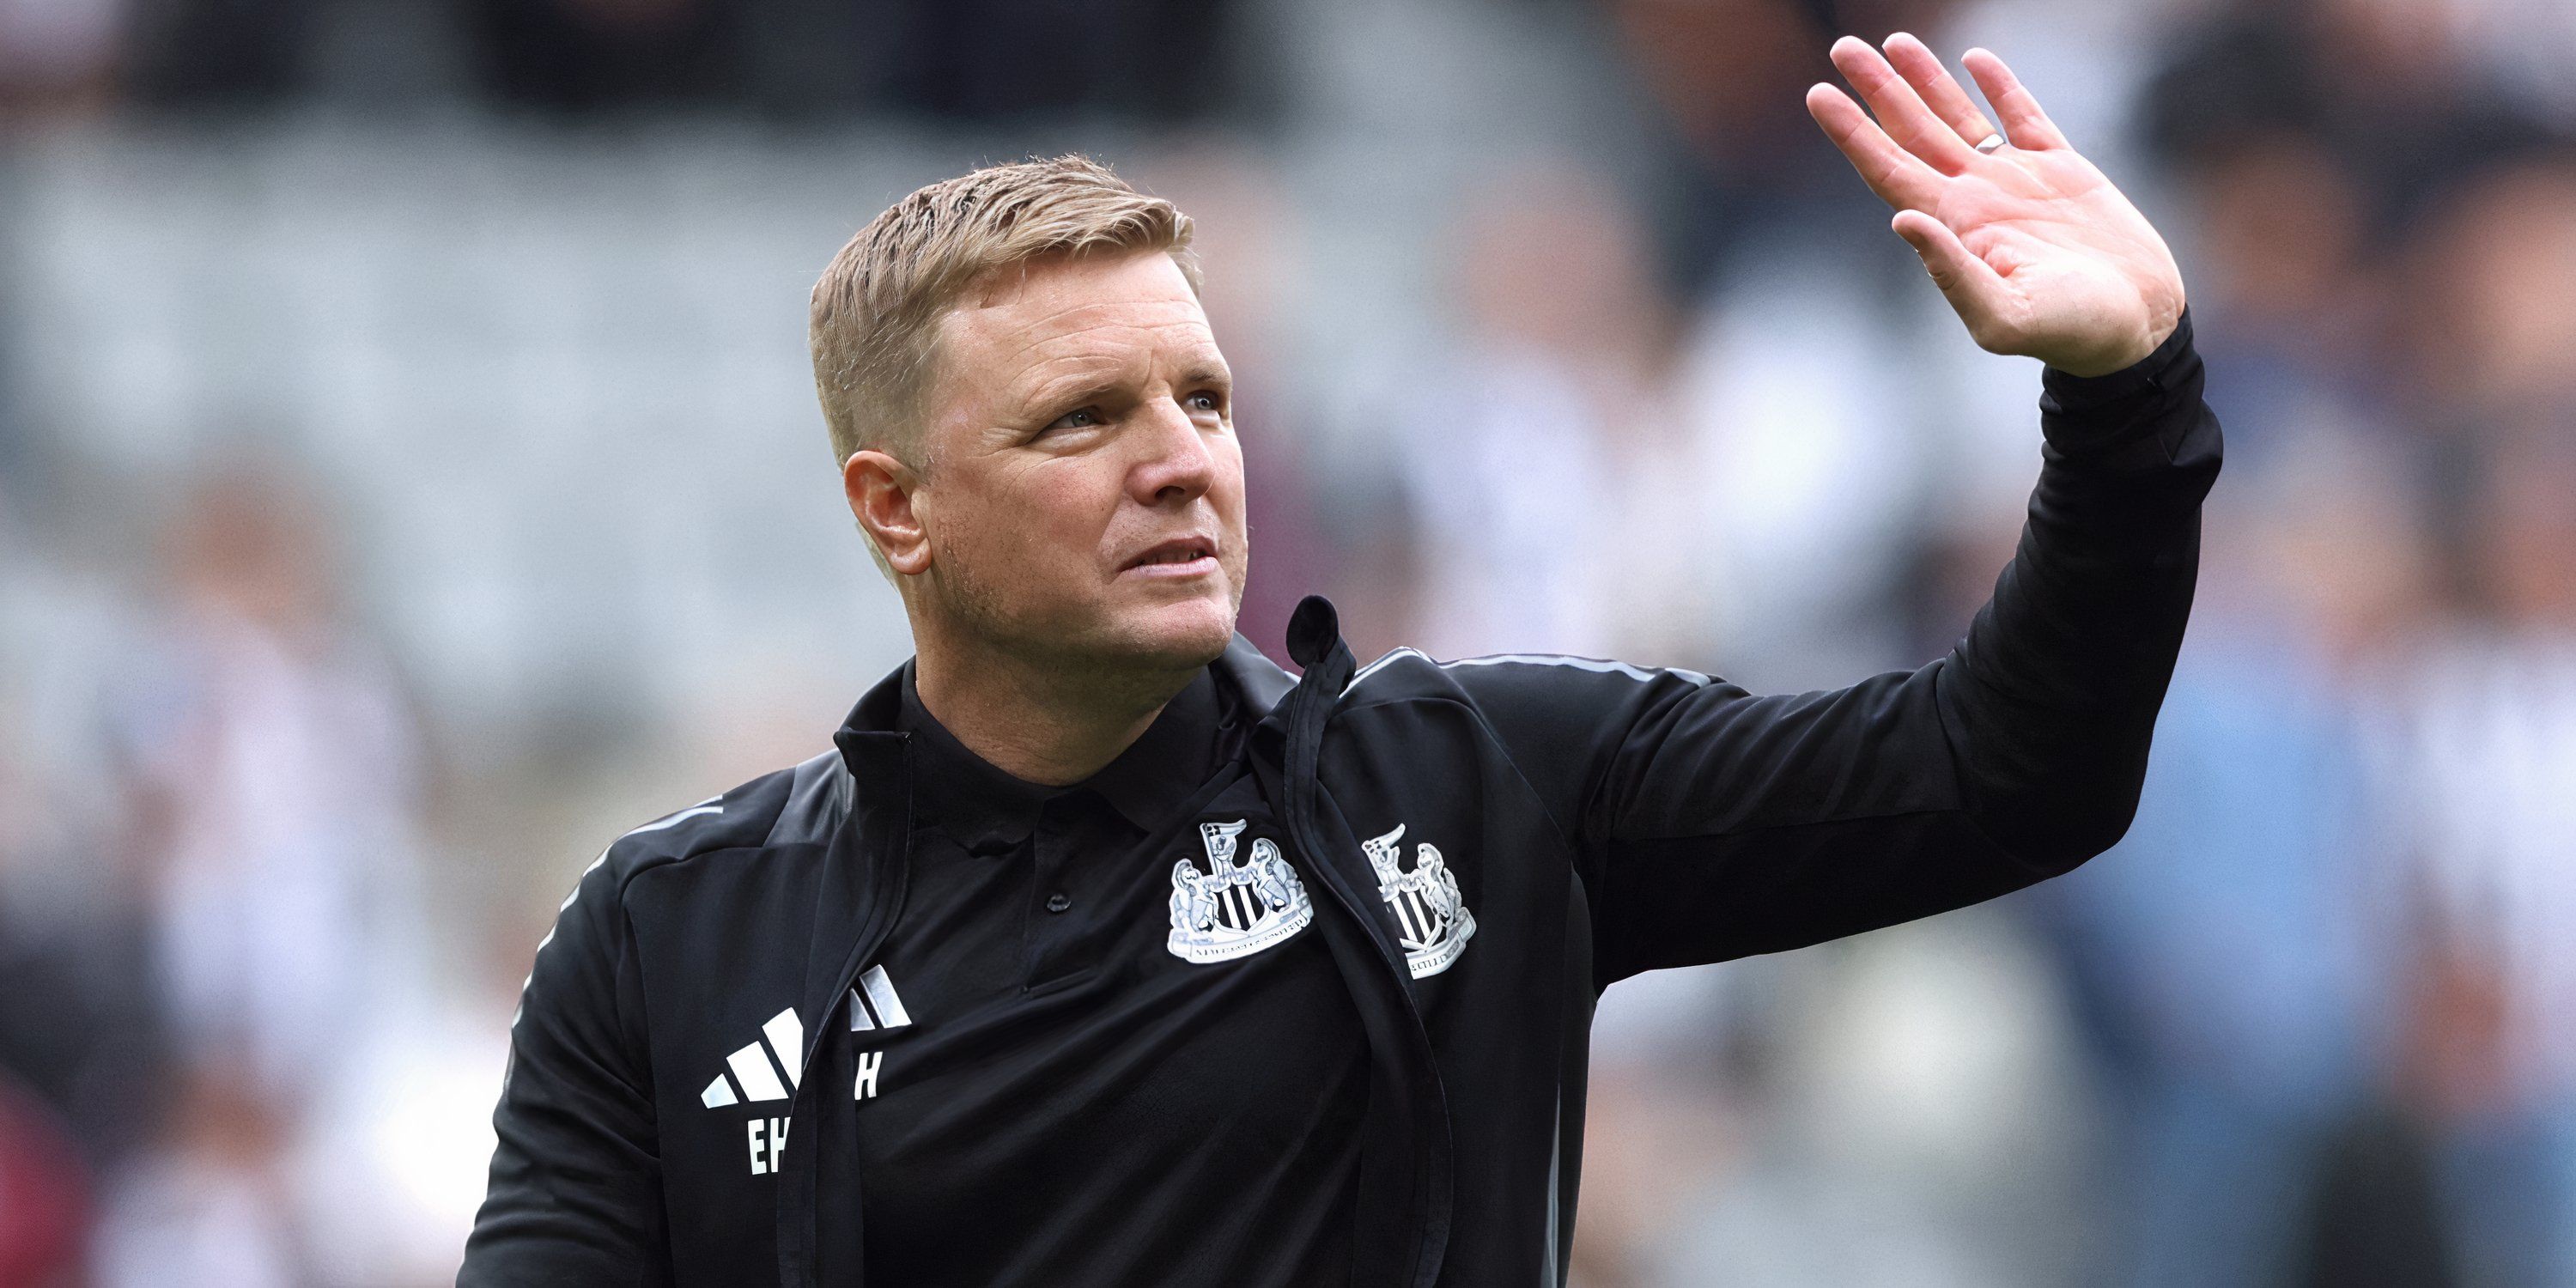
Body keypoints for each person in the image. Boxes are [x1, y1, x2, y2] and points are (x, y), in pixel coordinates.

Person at [460, 33, 2219, 1288]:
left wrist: (2127, 396)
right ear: (894, 509)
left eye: (1205, 398)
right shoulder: (670, 935)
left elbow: (2014, 769)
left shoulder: (1471, 790)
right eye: (1085, 417)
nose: (1180, 458)